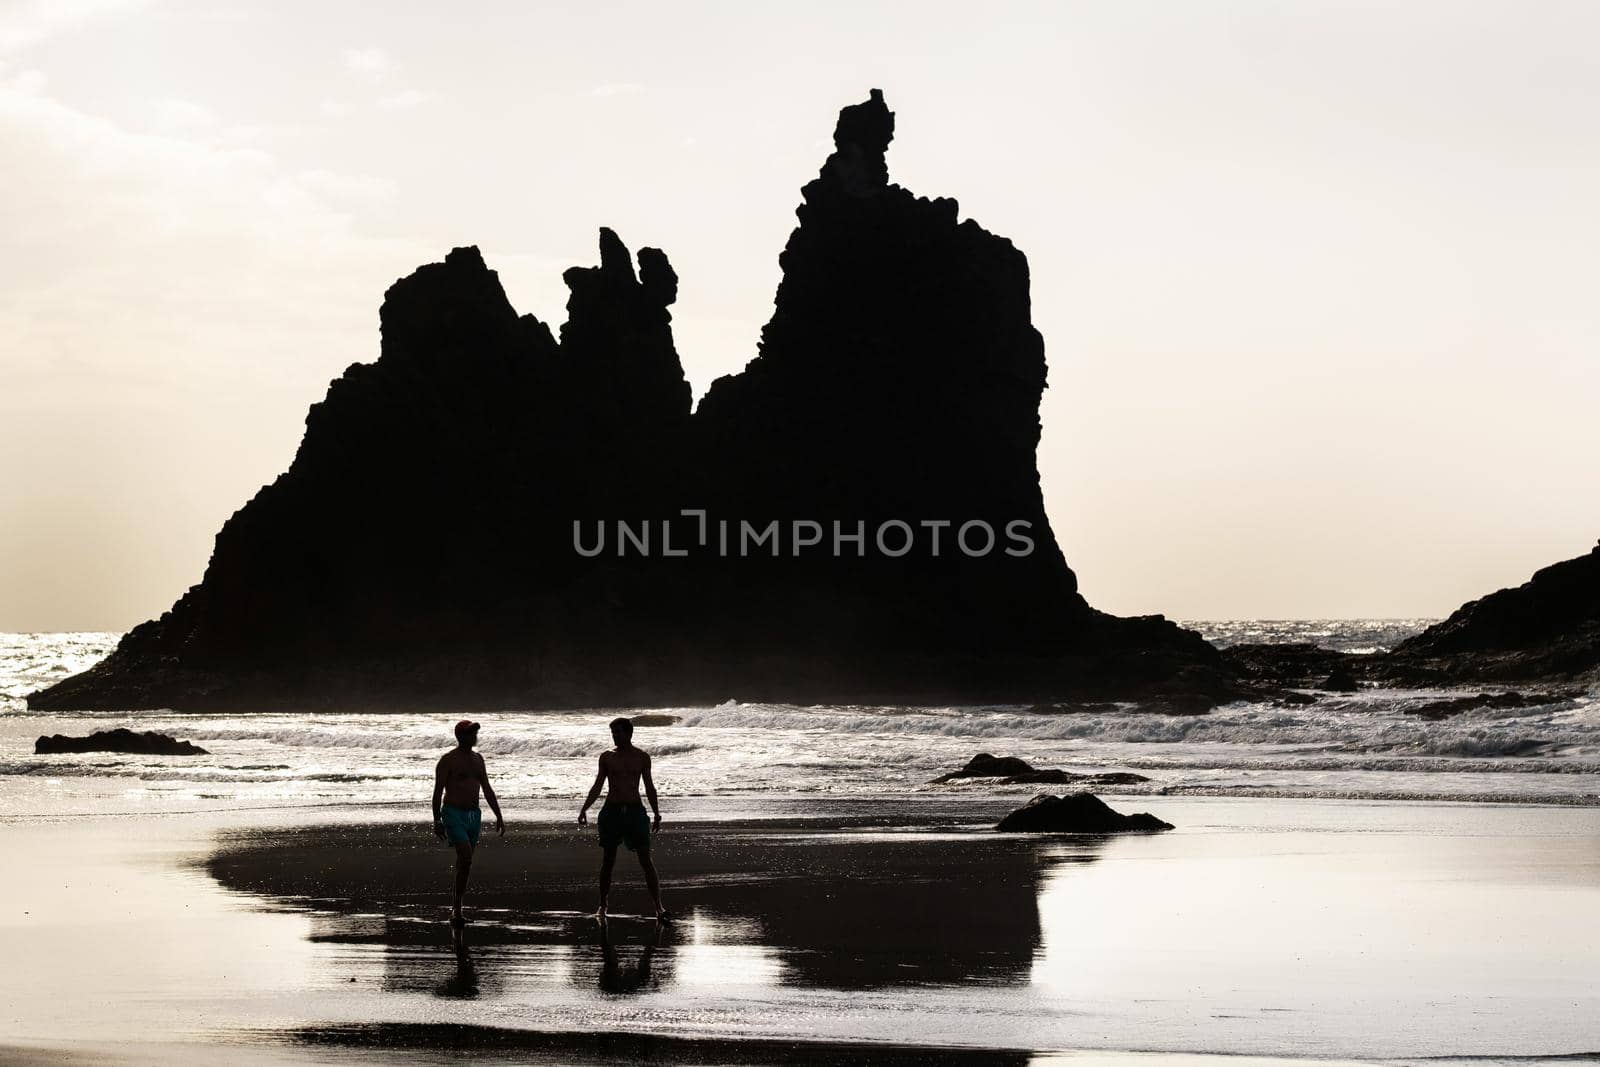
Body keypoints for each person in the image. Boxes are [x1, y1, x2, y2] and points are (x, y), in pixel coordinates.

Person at [578, 717, 671, 923]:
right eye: (613, 733)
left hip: (635, 812)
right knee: (608, 861)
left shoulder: (642, 757)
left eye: (618, 733)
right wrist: (585, 808)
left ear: (629, 734)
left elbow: (649, 788)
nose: (615, 736)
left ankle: (658, 907)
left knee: (646, 860)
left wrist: (656, 813)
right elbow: (597, 785)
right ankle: (603, 905)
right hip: (611, 812)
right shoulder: (607, 757)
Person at [432, 719, 504, 927]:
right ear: (460, 736)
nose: (474, 736)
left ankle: (457, 907)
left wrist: (498, 815)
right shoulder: (447, 761)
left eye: (475, 733)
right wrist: (437, 820)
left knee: (466, 862)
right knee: (465, 856)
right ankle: (456, 908)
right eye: (470, 733)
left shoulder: (478, 759)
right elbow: (437, 793)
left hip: (473, 815)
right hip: (453, 813)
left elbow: (487, 789)